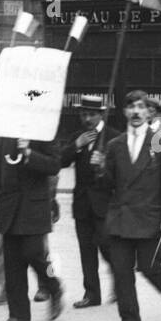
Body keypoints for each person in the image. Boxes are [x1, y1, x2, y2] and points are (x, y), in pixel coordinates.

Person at [94, 90, 161, 321]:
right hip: (121, 219)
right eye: (131, 106)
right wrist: (99, 169)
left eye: (140, 107)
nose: (135, 111)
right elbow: (107, 185)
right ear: (125, 112)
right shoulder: (114, 146)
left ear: (148, 112)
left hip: (150, 217)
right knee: (122, 272)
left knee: (149, 267)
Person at [0, 132, 64, 321]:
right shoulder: (6, 136)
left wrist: (29, 153)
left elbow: (54, 166)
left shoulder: (44, 132)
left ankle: (54, 286)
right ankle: (19, 315)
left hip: (34, 209)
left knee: (34, 254)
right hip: (9, 210)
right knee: (12, 263)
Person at [59, 95, 114, 307]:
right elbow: (61, 162)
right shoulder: (78, 136)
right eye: (84, 114)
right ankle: (92, 294)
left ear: (100, 114)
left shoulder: (113, 137)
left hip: (104, 204)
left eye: (91, 114)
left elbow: (121, 172)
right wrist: (76, 145)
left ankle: (120, 282)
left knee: (107, 246)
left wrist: (104, 164)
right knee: (86, 250)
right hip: (82, 205)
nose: (87, 118)